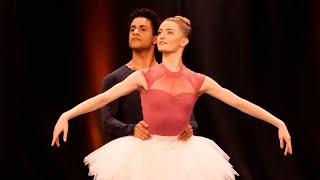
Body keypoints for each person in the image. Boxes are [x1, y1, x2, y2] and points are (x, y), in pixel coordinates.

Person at [51, 15, 292, 180]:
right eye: (160, 32)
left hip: (184, 154)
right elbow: (102, 99)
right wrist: (67, 114)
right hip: (144, 154)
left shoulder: (198, 80)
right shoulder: (144, 77)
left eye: (169, 32)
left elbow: (239, 102)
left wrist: (278, 122)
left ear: (183, 41)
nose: (162, 36)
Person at [101, 8, 198, 142]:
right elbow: (107, 121)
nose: (135, 32)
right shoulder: (115, 79)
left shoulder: (173, 75)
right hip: (133, 149)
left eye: (143, 29)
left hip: (170, 148)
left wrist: (188, 128)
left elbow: (190, 119)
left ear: (155, 38)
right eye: (132, 29)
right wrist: (132, 129)